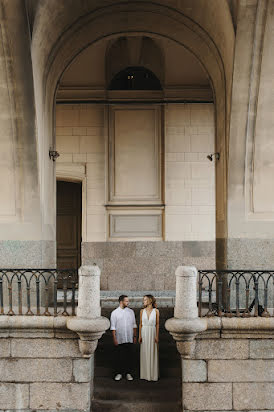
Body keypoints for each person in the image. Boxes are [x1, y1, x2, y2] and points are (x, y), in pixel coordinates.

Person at [110, 295, 137, 381]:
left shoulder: (131, 312)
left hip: (129, 337)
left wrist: (135, 336)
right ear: (121, 302)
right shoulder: (114, 313)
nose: (128, 303)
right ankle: (119, 373)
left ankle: (128, 373)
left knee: (129, 356)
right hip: (120, 338)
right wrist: (114, 338)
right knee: (119, 356)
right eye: (126, 301)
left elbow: (134, 325)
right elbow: (113, 327)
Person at [139, 294, 159, 381]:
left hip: (152, 331)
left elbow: (157, 324)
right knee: (144, 351)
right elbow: (140, 324)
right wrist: (139, 335)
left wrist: (157, 336)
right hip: (144, 332)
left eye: (145, 300)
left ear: (150, 300)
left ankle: (152, 375)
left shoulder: (156, 311)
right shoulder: (142, 311)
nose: (144, 301)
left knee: (152, 351)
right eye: (143, 300)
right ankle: (144, 374)